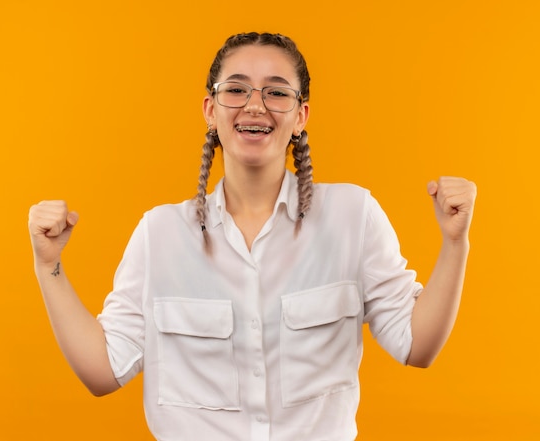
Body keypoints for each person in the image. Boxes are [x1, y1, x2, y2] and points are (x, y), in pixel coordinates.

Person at [28, 32, 477, 441]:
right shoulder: (160, 234)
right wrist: (48, 264)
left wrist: (455, 244)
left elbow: (416, 345)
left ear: (300, 116)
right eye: (237, 89)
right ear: (210, 110)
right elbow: (103, 371)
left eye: (277, 92)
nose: (255, 105)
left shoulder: (352, 216)